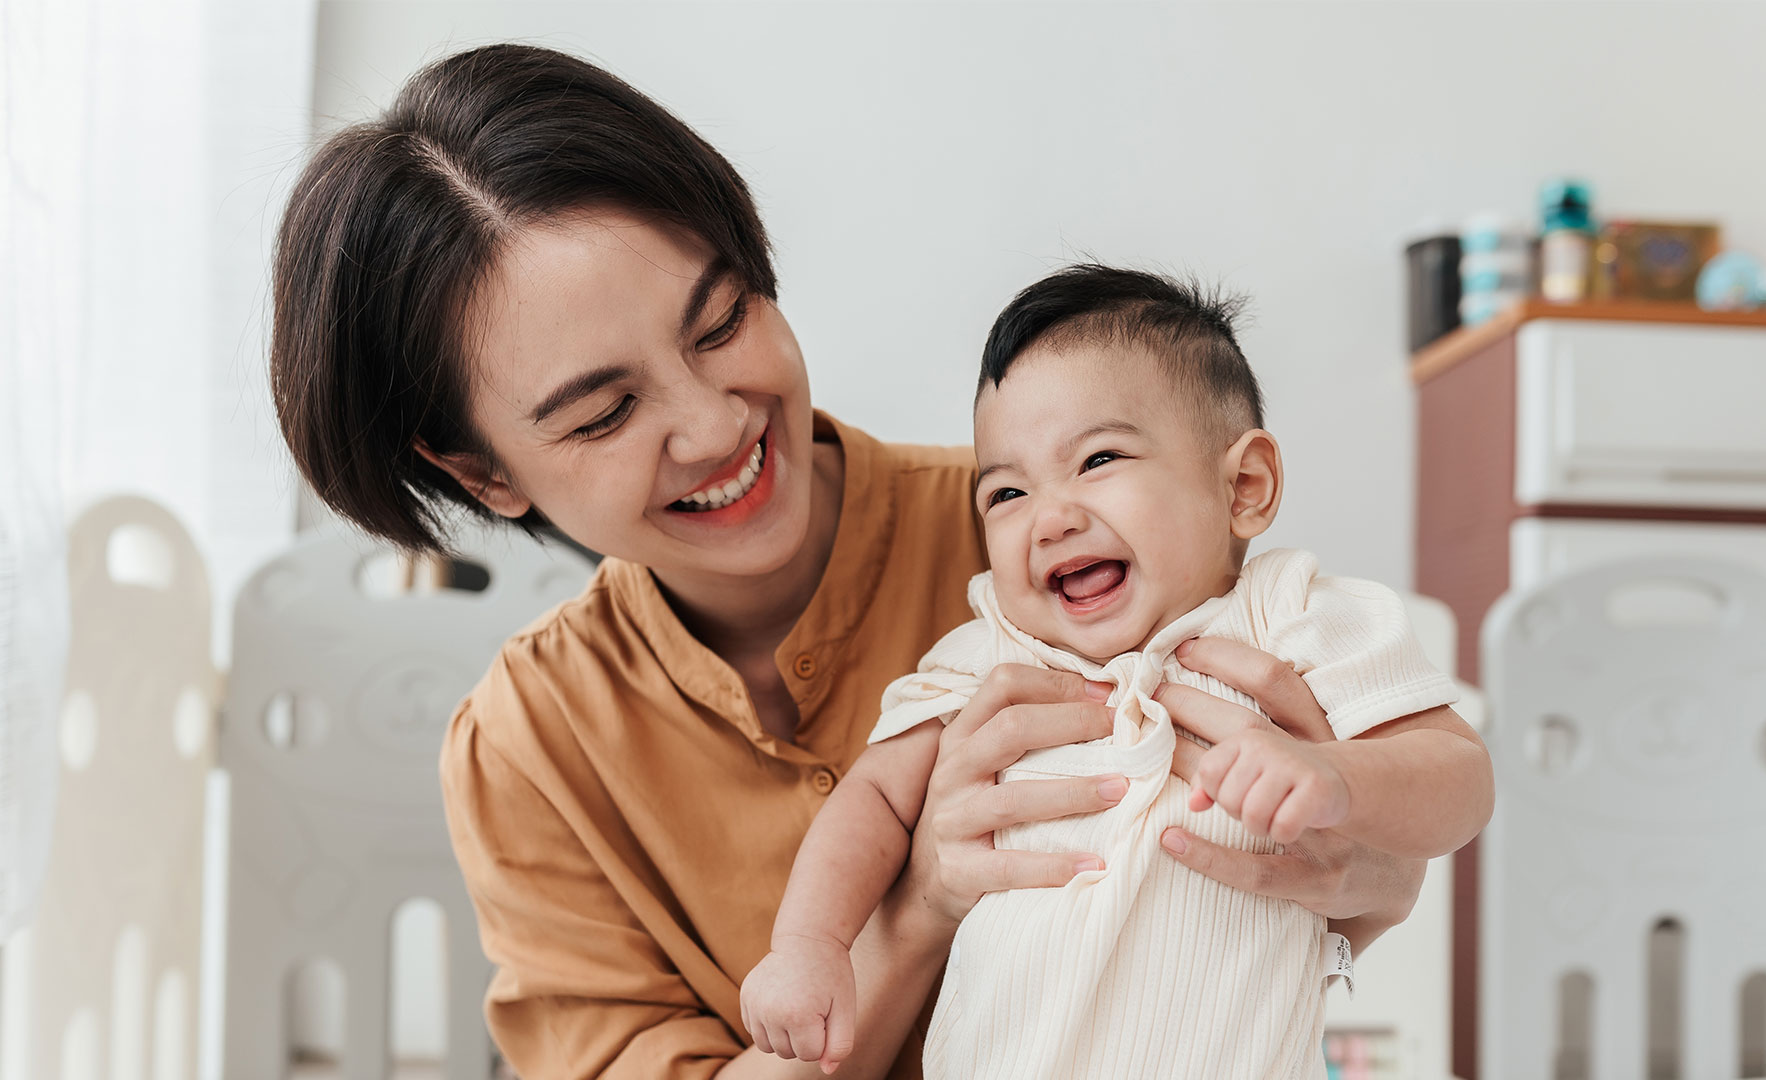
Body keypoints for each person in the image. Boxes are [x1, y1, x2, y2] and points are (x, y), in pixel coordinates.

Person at [268, 43, 1433, 1080]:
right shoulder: (535, 746)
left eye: (721, 323)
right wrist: (917, 905)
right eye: (604, 412)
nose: (715, 426)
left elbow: (1373, 860)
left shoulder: (1070, 550)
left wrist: (1361, 859)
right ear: (486, 476)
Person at [740, 266, 1493, 1077]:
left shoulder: (1291, 614)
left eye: (1097, 459)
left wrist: (1339, 776)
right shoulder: (992, 649)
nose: (1051, 518)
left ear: (1244, 486)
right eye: (1006, 494)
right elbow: (876, 798)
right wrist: (809, 944)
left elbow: (1460, 779)